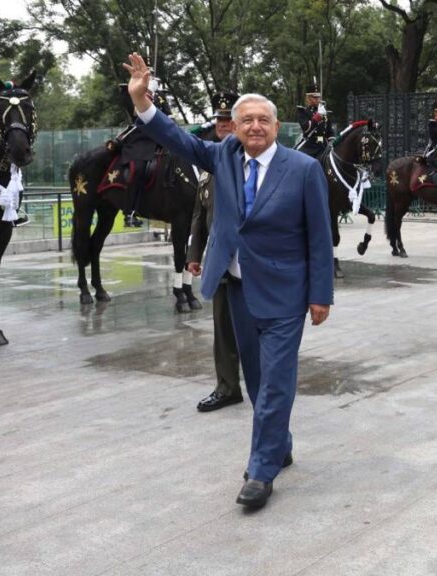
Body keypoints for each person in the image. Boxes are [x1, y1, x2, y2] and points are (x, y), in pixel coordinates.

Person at [123, 53, 334, 509]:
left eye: (263, 120)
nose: (254, 127)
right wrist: (143, 103)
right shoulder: (223, 156)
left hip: (285, 295)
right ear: (234, 127)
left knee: (276, 380)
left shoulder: (303, 170)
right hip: (237, 289)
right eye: (246, 120)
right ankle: (280, 442)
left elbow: (320, 236)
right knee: (257, 380)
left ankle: (261, 470)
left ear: (277, 127)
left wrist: (321, 295)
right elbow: (175, 138)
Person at [188, 90, 244, 413]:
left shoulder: (248, 159)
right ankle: (227, 386)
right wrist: (194, 254)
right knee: (222, 327)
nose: (223, 125)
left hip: (251, 260)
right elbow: (200, 214)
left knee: (258, 328)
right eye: (220, 120)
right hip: (220, 261)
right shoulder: (210, 165)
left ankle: (267, 385)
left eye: (229, 120)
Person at [114, 76, 172, 227]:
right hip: (140, 141)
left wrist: (156, 95)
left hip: (161, 139)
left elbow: (169, 117)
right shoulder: (135, 93)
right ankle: (130, 211)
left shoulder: (160, 97)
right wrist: (145, 93)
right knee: (138, 169)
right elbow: (135, 113)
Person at [295, 82, 333, 158]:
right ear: (308, 98)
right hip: (309, 145)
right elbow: (306, 128)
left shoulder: (324, 112)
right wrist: (318, 115)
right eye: (314, 97)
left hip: (324, 145)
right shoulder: (303, 111)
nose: (317, 99)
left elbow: (329, 131)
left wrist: (332, 141)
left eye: (318, 97)